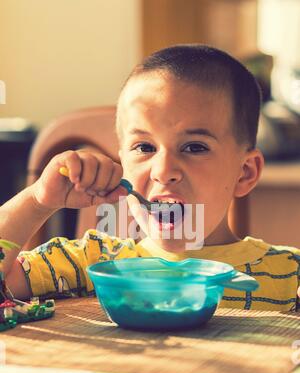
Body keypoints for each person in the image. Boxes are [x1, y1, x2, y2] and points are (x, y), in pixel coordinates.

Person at [1, 44, 299, 311]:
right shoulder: (93, 263)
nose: (163, 171)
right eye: (144, 147)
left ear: (244, 173)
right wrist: (37, 200)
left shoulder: (289, 275)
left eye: (194, 147)